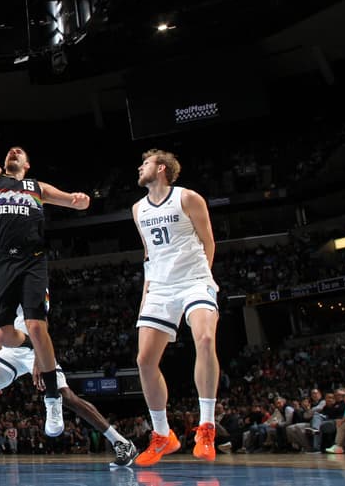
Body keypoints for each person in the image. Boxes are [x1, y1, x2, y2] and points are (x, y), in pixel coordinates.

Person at [0, 85, 91, 437]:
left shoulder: (37, 187)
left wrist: (79, 200)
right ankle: (36, 351)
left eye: (20, 151)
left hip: (32, 261)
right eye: (10, 150)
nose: (13, 151)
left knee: (35, 325)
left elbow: (76, 202)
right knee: (3, 334)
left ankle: (51, 400)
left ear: (27, 164)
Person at [131, 150, 219, 466]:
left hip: (195, 279)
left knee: (205, 340)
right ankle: (163, 435)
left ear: (162, 168)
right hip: (160, 287)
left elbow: (209, 241)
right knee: (144, 360)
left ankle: (206, 426)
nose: (140, 167)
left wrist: (204, 277)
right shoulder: (138, 209)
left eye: (146, 163)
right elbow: (148, 255)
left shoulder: (188, 198)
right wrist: (146, 296)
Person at [0, 309, 138, 468]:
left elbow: (41, 323)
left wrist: (39, 356)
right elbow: (1, 333)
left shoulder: (30, 280)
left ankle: (121, 442)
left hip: (34, 348)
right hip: (9, 352)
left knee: (66, 396)